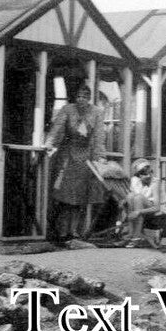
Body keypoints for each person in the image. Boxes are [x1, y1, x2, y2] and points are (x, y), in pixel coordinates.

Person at [45, 83, 105, 240]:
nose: (81, 100)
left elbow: (99, 136)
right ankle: (61, 231)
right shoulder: (67, 109)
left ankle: (74, 231)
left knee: (80, 198)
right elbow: (57, 128)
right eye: (78, 96)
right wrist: (50, 143)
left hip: (85, 157)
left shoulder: (97, 112)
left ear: (89, 98)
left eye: (85, 97)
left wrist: (100, 155)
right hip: (67, 155)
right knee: (64, 195)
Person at [123, 158, 166, 245]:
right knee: (131, 196)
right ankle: (132, 233)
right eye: (144, 174)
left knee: (138, 198)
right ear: (138, 176)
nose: (148, 176)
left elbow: (157, 207)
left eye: (150, 172)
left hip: (159, 209)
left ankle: (136, 237)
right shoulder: (135, 181)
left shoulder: (155, 183)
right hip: (143, 208)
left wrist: (138, 212)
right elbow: (132, 199)